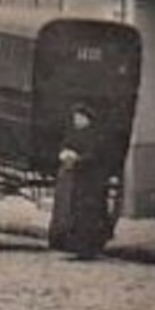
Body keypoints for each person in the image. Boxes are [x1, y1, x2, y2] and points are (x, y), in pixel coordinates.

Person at [47, 104, 112, 261]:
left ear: (86, 119)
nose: (76, 120)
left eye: (79, 118)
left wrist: (78, 160)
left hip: (92, 181)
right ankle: (78, 246)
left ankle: (89, 249)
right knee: (77, 212)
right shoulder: (74, 134)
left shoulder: (95, 136)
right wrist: (65, 153)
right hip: (79, 180)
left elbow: (95, 155)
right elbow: (65, 145)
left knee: (88, 214)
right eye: (75, 117)